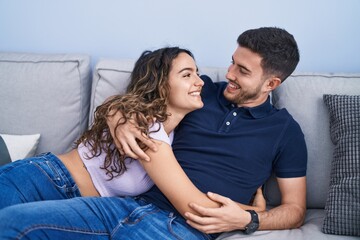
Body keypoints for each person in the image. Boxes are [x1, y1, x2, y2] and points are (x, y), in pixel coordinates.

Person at [0, 46, 264, 240]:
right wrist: (253, 212)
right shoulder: (143, 124)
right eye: (187, 75)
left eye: (197, 73)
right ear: (162, 84)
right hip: (44, 178)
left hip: (81, 206)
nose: (199, 82)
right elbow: (192, 203)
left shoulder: (177, 135)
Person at [108, 26, 308, 234]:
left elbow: (295, 210)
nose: (230, 73)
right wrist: (118, 117)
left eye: (243, 70)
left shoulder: (285, 131)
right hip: (125, 206)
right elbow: (139, 97)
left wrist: (250, 218)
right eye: (233, 62)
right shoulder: (200, 92)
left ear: (271, 83)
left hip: (180, 229)